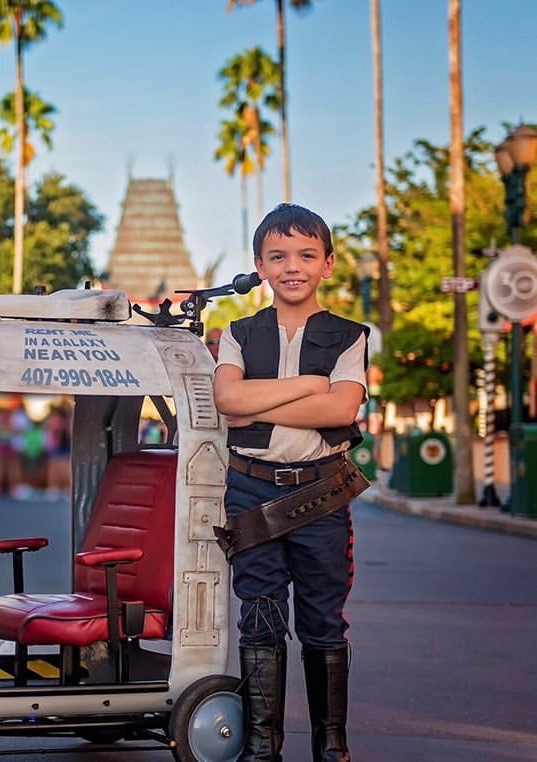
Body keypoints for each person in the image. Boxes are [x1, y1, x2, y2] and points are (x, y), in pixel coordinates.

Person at [212, 204, 370, 762]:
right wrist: (309, 385)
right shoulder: (237, 332)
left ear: (327, 263)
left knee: (323, 619)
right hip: (251, 490)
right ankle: (261, 746)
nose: (292, 267)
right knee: (258, 614)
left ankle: (332, 745)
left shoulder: (350, 336)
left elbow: (341, 409)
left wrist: (265, 404)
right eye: (277, 257)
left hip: (321, 494)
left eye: (307, 255)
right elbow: (228, 401)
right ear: (259, 265)